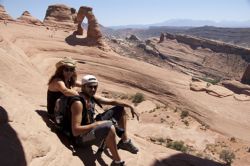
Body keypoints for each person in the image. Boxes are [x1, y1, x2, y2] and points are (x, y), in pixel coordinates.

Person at [69, 74, 140, 166]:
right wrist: (98, 124)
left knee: (120, 109)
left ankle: (124, 142)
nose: (93, 89)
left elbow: (112, 101)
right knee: (109, 127)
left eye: (95, 87)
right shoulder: (78, 103)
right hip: (81, 139)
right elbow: (75, 131)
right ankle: (117, 162)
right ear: (83, 87)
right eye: (90, 87)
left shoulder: (91, 97)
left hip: (91, 125)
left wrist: (130, 105)